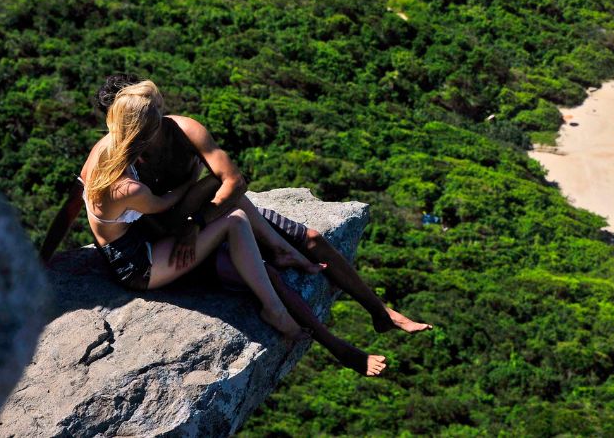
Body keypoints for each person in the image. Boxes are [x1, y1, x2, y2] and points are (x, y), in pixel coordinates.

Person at [43, 73, 431, 335]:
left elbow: (232, 182)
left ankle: (380, 312)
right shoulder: (112, 157)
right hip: (168, 234)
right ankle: (334, 342)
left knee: (310, 237)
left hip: (203, 212)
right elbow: (78, 204)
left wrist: (198, 222)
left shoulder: (183, 131)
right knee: (259, 270)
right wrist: (44, 256)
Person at [79, 81, 304, 340]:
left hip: (126, 244)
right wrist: (192, 179)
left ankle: (280, 251)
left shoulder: (103, 152)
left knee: (220, 189)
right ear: (145, 132)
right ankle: (275, 311)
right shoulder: (128, 189)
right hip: (139, 265)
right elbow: (163, 204)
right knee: (235, 220)